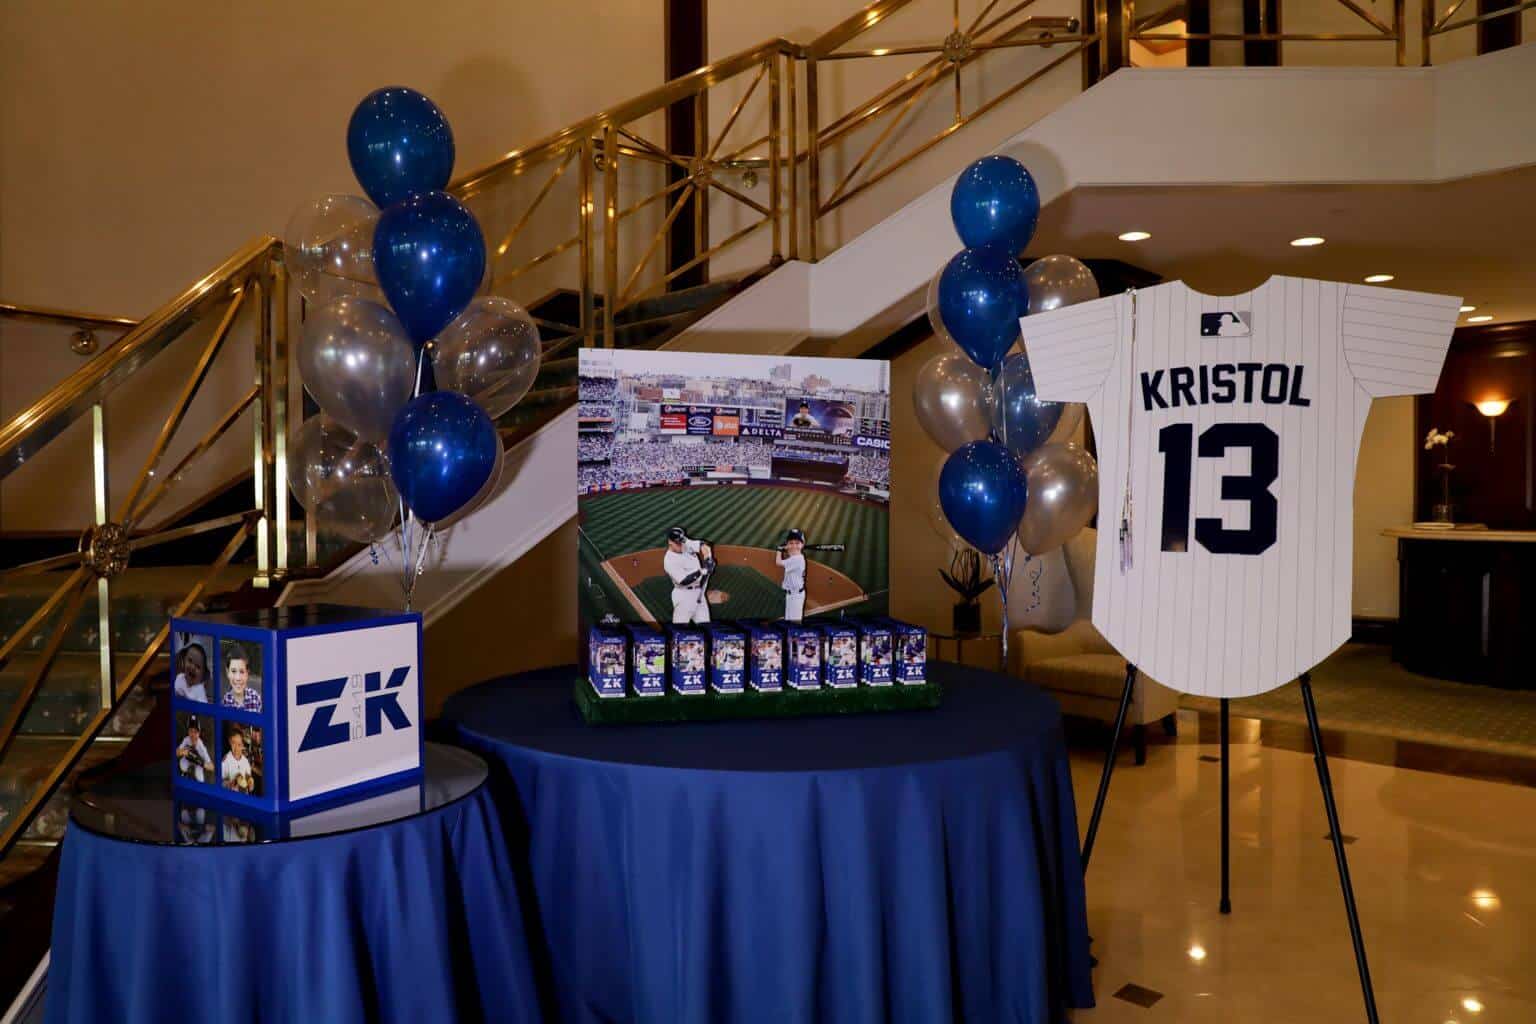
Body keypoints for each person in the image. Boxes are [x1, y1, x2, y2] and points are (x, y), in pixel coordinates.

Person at [663, 526, 711, 624]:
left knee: (706, 626)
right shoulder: (669, 560)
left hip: (699, 594)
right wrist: (702, 571)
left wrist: (708, 559)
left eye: (681, 542)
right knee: (680, 628)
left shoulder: (685, 543)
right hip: (684, 596)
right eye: (677, 543)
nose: (681, 545)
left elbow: (704, 546)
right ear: (670, 542)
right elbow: (684, 581)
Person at [775, 528, 808, 621]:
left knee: (794, 624)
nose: (794, 545)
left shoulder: (797, 559)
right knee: (789, 622)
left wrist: (779, 550)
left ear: (802, 545)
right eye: (791, 543)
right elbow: (791, 552)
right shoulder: (796, 557)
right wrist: (788, 548)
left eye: (797, 543)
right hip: (791, 595)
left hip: (796, 596)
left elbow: (778, 562)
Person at [222, 643, 262, 712]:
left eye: (242, 672)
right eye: (233, 671)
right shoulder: (224, 703)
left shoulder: (256, 698)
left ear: (247, 673)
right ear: (227, 672)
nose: (238, 678)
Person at [176, 718, 213, 783]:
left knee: (200, 779)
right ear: (188, 731)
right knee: (182, 765)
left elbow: (212, 767)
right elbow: (177, 752)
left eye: (195, 732)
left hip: (198, 763)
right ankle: (186, 774)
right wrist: (183, 751)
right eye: (191, 731)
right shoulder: (186, 739)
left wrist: (199, 761)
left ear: (199, 733)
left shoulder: (201, 747)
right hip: (188, 759)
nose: (193, 734)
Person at [222, 729, 255, 794]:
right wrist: (229, 784)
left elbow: (248, 776)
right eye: (233, 743)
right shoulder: (225, 760)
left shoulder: (245, 761)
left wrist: (250, 783)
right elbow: (220, 781)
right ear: (229, 742)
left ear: (243, 745)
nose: (236, 747)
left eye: (239, 744)